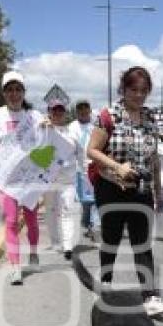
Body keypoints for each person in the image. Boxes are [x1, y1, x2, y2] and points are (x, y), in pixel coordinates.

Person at [87, 66, 163, 317]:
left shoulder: (150, 118)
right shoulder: (108, 116)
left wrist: (158, 192)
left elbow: (154, 158)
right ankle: (105, 286)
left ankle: (149, 296)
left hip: (142, 190)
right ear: (123, 89)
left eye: (144, 91)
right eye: (133, 90)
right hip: (111, 187)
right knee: (111, 239)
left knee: (142, 244)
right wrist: (118, 167)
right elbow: (92, 150)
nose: (138, 95)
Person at [0, 71, 44, 285]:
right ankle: (15, 266)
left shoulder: (35, 117)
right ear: (3, 93)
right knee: (10, 221)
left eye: (18, 89)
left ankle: (33, 252)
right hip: (5, 179)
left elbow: (44, 148)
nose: (14, 94)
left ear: (24, 92)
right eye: (9, 89)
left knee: (32, 221)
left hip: (28, 179)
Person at [41, 99, 78, 259]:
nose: (57, 113)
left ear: (65, 112)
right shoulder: (43, 130)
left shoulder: (72, 132)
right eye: (54, 110)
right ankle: (56, 242)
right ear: (49, 112)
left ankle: (67, 246)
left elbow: (81, 154)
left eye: (60, 110)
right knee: (50, 212)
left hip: (67, 180)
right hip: (48, 179)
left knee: (67, 210)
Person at [68, 100, 99, 240]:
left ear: (89, 110)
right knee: (85, 201)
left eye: (86, 108)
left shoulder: (95, 127)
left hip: (94, 168)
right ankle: (87, 222)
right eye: (80, 109)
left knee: (95, 200)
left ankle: (94, 225)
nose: (83, 111)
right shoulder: (71, 127)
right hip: (79, 170)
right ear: (77, 111)